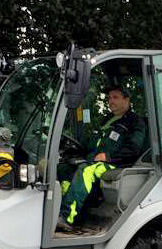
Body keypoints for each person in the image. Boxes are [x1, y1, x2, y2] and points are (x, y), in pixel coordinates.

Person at [57, 86, 147, 230]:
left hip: (117, 164)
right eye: (109, 98)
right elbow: (91, 142)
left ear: (127, 100)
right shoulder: (106, 120)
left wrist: (109, 156)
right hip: (94, 160)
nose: (111, 101)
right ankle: (60, 209)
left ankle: (66, 217)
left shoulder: (135, 121)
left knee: (86, 171)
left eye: (115, 97)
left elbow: (133, 149)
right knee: (63, 168)